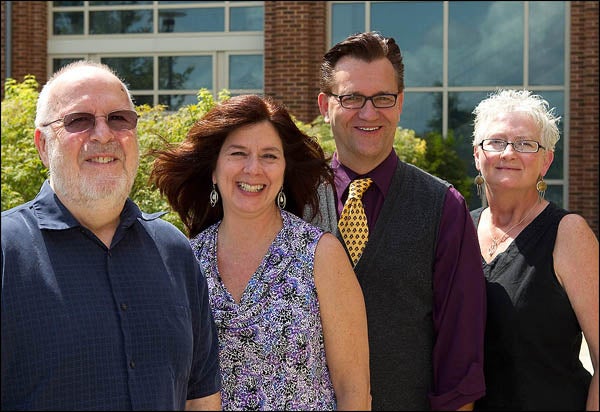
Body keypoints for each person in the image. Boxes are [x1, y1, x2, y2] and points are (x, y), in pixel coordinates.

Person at [0, 60, 222, 411]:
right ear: (43, 146)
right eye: (79, 120)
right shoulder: (6, 251)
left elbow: (201, 399)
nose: (103, 134)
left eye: (119, 119)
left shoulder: (174, 252)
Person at [149, 94, 371, 410]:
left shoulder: (320, 254)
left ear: (284, 172)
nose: (253, 169)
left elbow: (355, 390)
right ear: (214, 169)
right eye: (238, 153)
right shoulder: (187, 262)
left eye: (269, 156)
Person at [310, 31, 487, 411]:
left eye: (383, 98)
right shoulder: (292, 201)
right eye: (352, 97)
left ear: (400, 103)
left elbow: (459, 358)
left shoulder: (443, 208)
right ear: (325, 106)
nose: (369, 112)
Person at [469, 89, 598, 410]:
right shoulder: (458, 230)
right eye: (496, 142)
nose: (509, 153)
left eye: (526, 144)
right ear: (476, 154)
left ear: (546, 160)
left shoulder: (568, 233)